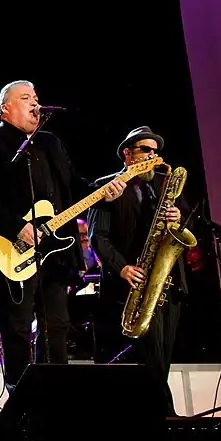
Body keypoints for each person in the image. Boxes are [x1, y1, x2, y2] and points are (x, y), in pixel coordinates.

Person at [0, 80, 126, 392]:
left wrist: (103, 192)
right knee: (17, 329)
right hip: (11, 251)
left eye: (37, 98)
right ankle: (22, 407)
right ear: (5, 109)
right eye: (26, 98)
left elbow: (74, 186)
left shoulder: (50, 143)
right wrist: (15, 227)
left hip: (55, 251)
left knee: (57, 327)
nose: (35, 104)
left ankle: (55, 401)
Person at [87, 126, 189, 415]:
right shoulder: (107, 185)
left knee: (163, 356)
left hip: (170, 281)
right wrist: (123, 268)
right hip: (135, 281)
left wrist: (179, 218)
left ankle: (155, 417)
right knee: (151, 356)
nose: (153, 156)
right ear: (127, 154)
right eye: (146, 150)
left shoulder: (166, 183)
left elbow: (189, 229)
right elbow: (97, 237)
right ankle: (166, 418)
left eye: (155, 151)